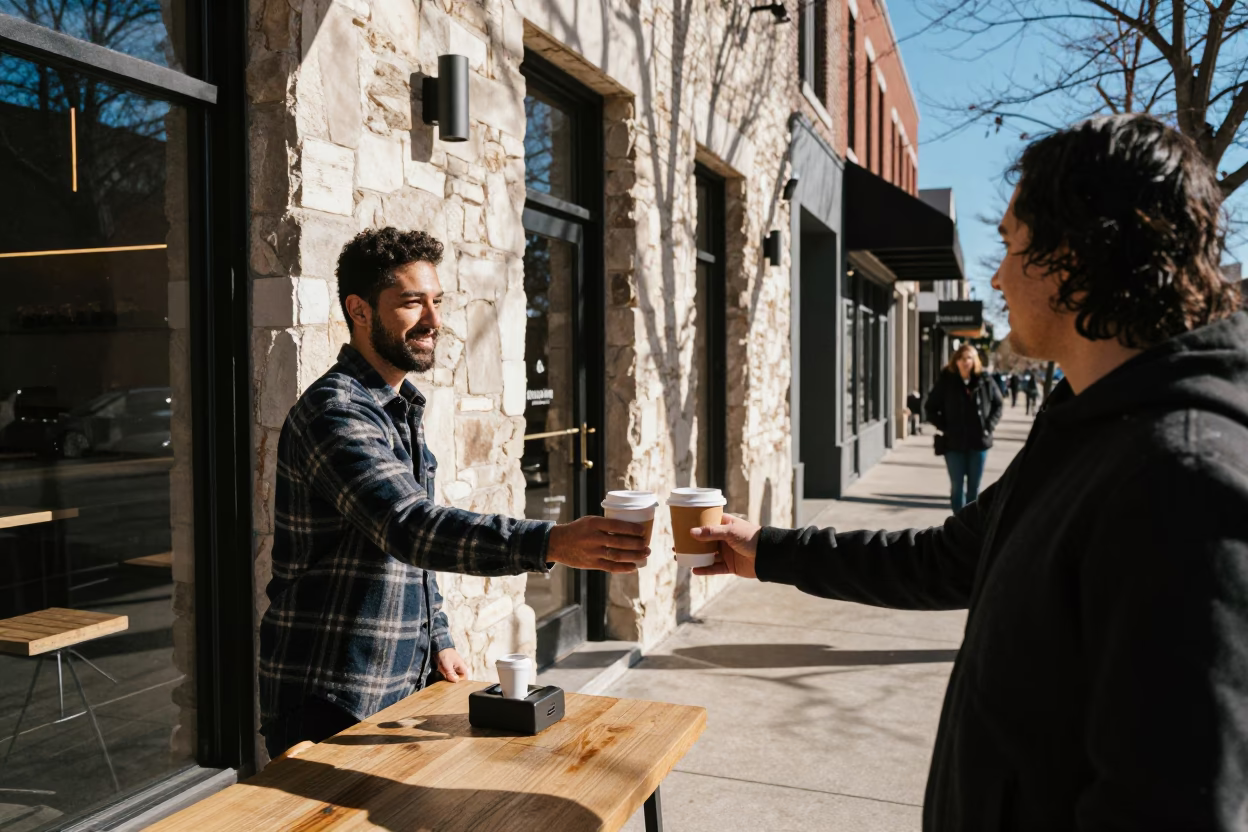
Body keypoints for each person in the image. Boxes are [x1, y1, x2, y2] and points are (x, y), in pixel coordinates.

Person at [688, 115, 1247, 829]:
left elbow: (1171, 806)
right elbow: (947, 560)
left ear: (1072, 258)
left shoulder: (1182, 482)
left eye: (1012, 246)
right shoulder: (1087, 423)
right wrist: (765, 550)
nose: (997, 274)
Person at [259, 228, 650, 759]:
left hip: (397, 682)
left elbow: (411, 558)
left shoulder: (397, 408)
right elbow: (410, 527)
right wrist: (549, 542)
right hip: (331, 691)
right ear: (360, 310)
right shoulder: (338, 413)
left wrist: (436, 638)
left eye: (436, 301)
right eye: (412, 302)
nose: (434, 321)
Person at [924, 345, 1003, 511]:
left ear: (975, 361)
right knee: (957, 486)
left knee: (974, 487)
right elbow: (930, 407)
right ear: (956, 361)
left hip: (979, 442)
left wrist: (988, 427)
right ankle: (957, 524)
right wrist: (945, 426)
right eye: (961, 358)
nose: (965, 362)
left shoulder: (985, 380)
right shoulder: (947, 380)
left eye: (969, 358)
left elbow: (998, 404)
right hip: (953, 443)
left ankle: (969, 525)